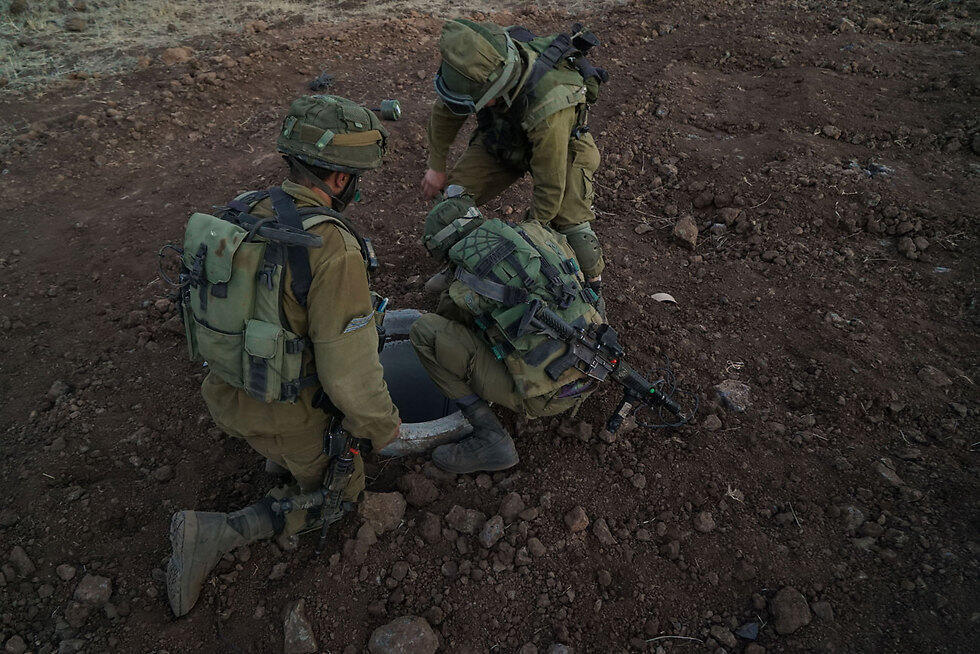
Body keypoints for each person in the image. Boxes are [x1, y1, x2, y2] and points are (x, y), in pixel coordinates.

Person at [165, 95, 400, 618]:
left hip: (226, 393)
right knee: (344, 495)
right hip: (287, 412)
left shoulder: (244, 206)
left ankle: (282, 455)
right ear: (340, 180)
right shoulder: (331, 246)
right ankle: (216, 532)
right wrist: (384, 429)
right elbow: (348, 375)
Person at [409, 189, 603, 473]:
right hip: (597, 361)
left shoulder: (461, 292)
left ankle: (491, 438)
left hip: (547, 397)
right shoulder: (536, 232)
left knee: (425, 332)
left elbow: (452, 331)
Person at [421, 19, 609, 310]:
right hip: (506, 136)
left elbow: (550, 187)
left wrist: (525, 241)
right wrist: (436, 165)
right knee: (455, 198)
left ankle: (591, 295)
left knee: (572, 230)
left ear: (495, 92)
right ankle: (467, 263)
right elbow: (448, 109)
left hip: (563, 149)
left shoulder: (549, 107)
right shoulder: (475, 69)